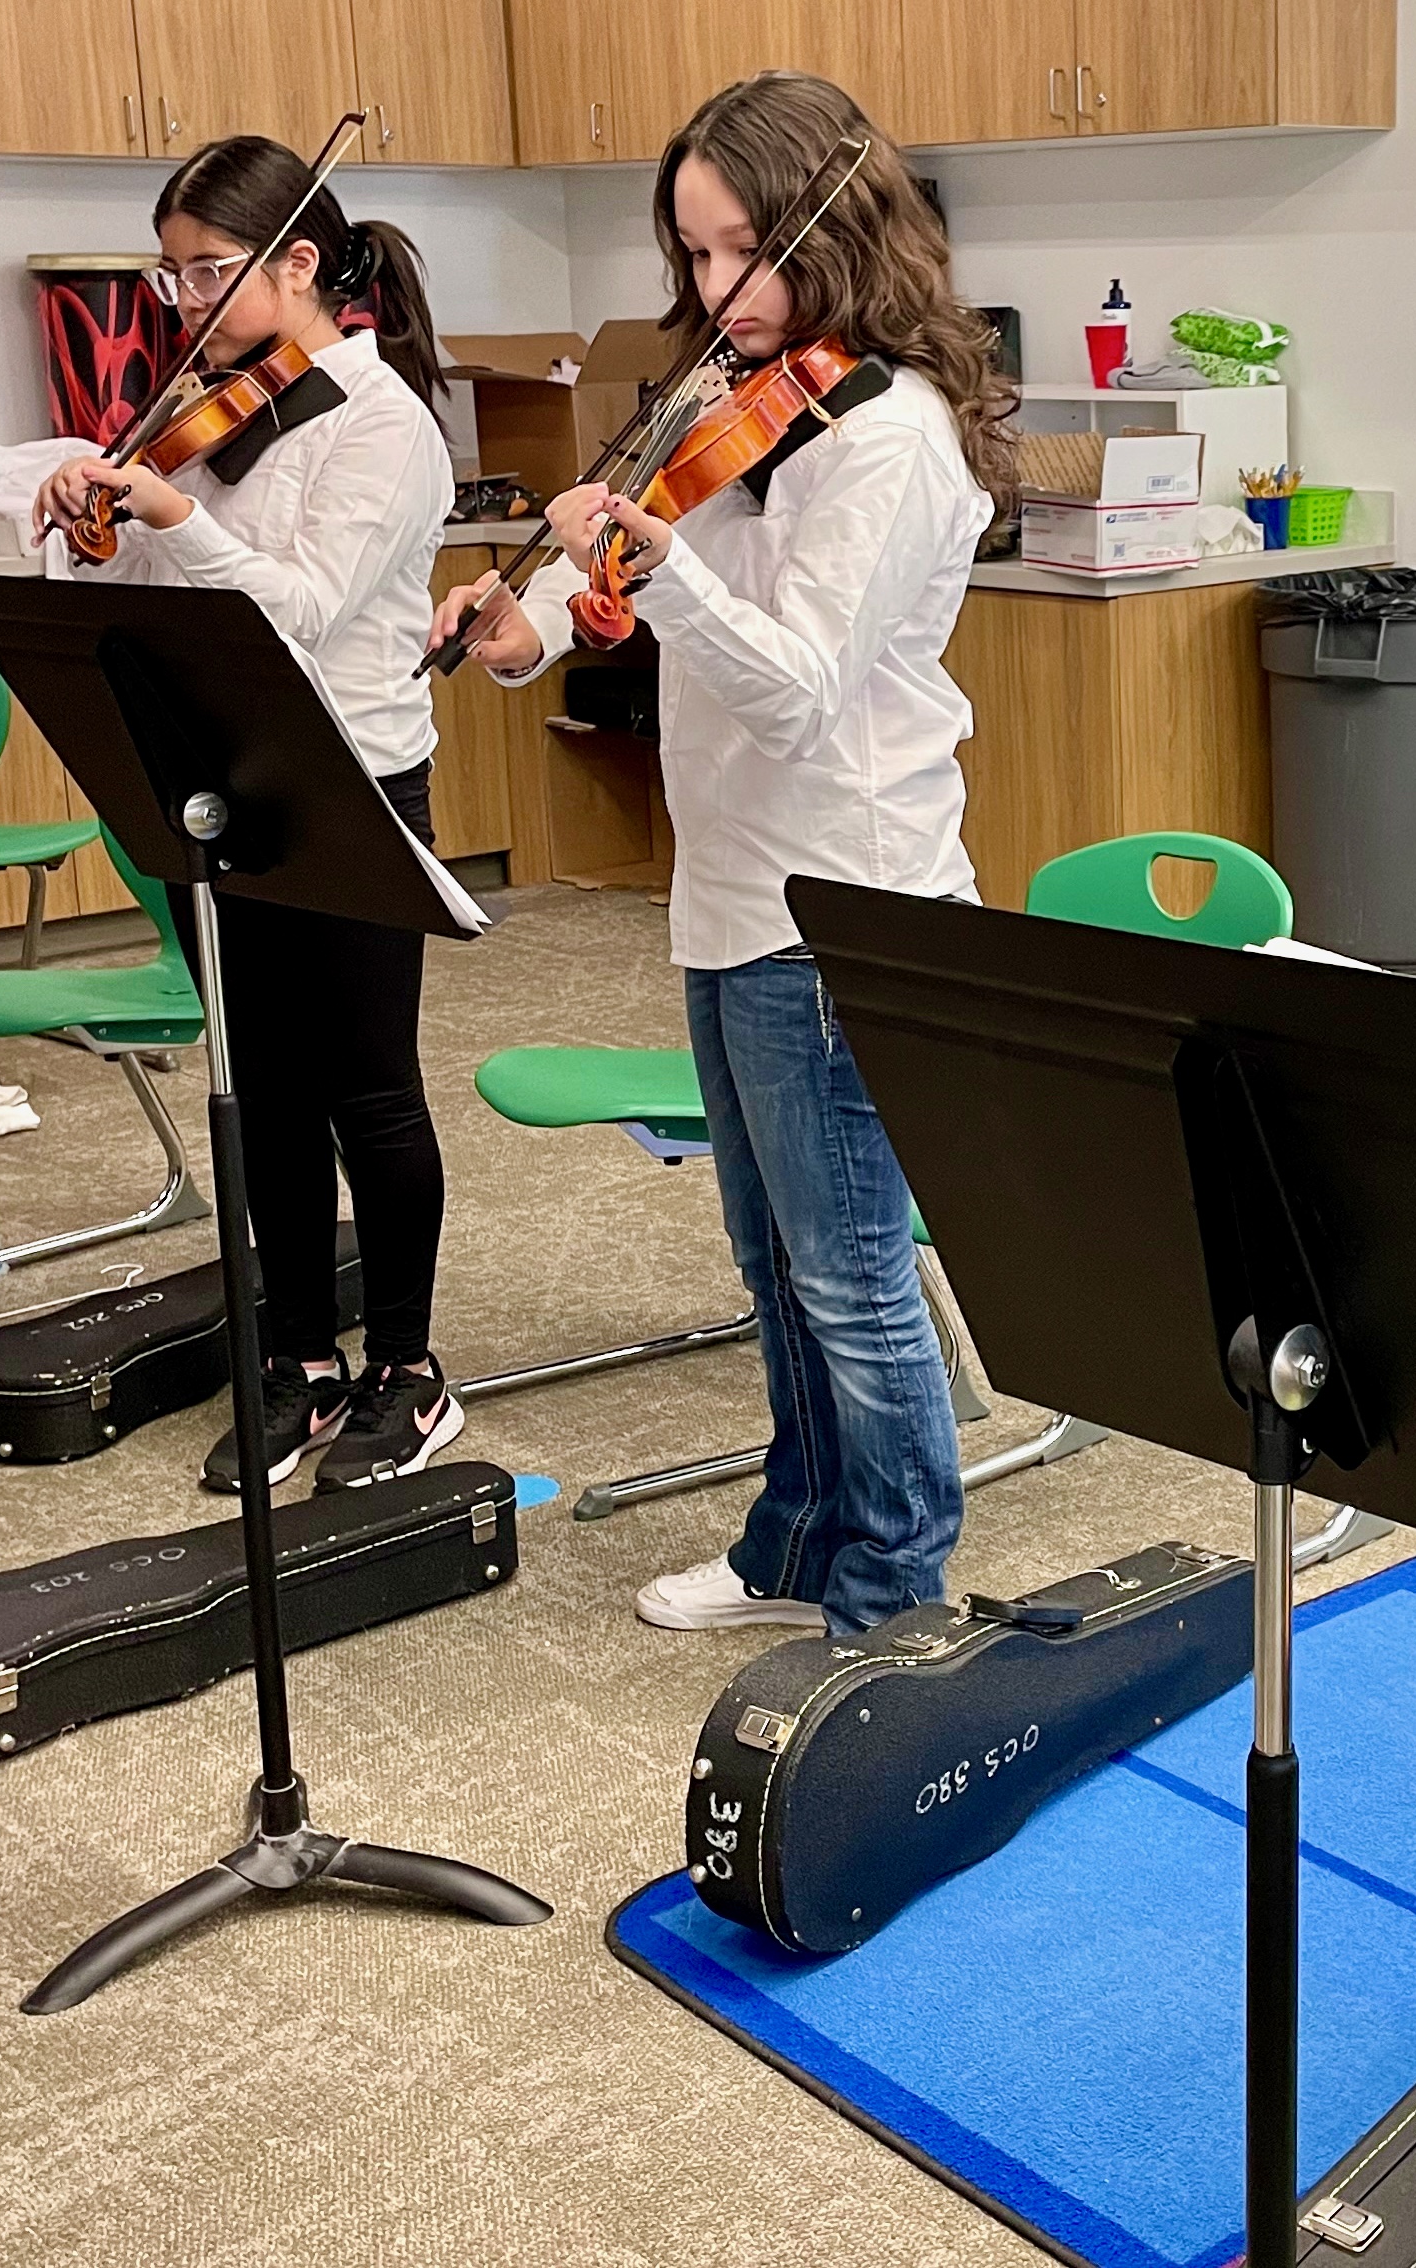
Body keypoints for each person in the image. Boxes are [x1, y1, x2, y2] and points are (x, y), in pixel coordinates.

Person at [435, 72, 1015, 1638]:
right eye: (692, 258)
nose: (718, 294)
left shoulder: (892, 436)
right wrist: (518, 626)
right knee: (774, 1265)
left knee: (851, 1276)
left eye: (744, 252)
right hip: (733, 892)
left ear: (840, 233)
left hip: (847, 896)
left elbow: (802, 683)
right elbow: (611, 559)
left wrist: (663, 571)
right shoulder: (732, 400)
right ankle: (799, 1543)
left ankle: (894, 1589)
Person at [31, 134, 466, 1493]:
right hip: (210, 780)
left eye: (210, 274)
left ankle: (406, 1364)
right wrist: (76, 513)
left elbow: (298, 609)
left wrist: (172, 509)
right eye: (172, 281)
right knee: (261, 1091)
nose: (189, 308)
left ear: (299, 266)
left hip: (350, 778)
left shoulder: (382, 422)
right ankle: (298, 1359)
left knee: (367, 1088)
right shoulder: (204, 418)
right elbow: (128, 596)